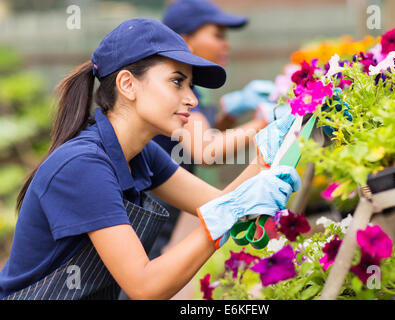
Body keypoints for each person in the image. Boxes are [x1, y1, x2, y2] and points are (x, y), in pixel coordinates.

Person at [0, 18, 300, 300]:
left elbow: (215, 202)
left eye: (190, 86)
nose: (192, 99)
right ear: (127, 84)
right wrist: (229, 211)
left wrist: (265, 157)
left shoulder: (141, 153)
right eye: (177, 82)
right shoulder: (83, 165)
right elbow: (145, 286)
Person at [147, 0, 281, 263]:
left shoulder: (185, 90)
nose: (226, 44)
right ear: (185, 41)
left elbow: (194, 136)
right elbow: (206, 150)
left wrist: (228, 114)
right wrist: (265, 122)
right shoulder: (175, 95)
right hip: (144, 214)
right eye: (218, 35)